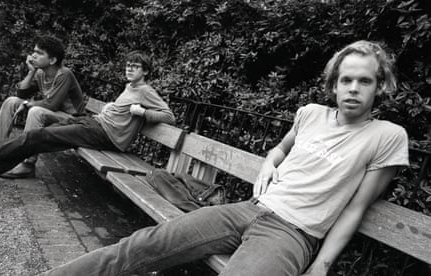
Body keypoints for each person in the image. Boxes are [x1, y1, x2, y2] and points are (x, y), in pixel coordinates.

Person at [39, 40, 409, 276]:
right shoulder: (311, 113)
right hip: (247, 208)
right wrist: (268, 164)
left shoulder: (386, 137)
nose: (354, 89)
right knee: (141, 246)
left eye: (365, 81)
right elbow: (280, 148)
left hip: (293, 234)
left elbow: (356, 207)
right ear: (334, 83)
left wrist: (322, 265)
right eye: (347, 80)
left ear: (381, 86)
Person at [0, 50, 175, 179]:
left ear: (146, 71)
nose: (130, 69)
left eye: (135, 66)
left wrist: (142, 112)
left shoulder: (145, 90)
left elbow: (169, 116)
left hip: (105, 135)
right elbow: (122, 111)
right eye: (128, 65)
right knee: (37, 138)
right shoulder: (130, 87)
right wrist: (111, 107)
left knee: (38, 136)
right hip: (93, 124)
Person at [0, 35, 84, 178]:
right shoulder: (40, 73)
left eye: (39, 53)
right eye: (34, 51)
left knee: (36, 111)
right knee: (11, 101)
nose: (33, 55)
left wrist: (27, 104)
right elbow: (21, 93)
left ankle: (27, 163)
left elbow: (51, 104)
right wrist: (31, 72)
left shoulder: (64, 75)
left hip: (72, 120)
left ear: (52, 60)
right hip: (53, 113)